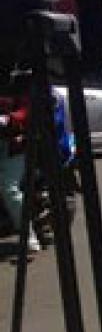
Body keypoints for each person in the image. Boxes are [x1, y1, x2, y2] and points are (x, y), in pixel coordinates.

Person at [0, 89, 40, 252]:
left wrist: (7, 119)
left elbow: (27, 110)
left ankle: (29, 235)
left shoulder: (17, 82)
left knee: (8, 188)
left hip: (14, 147)